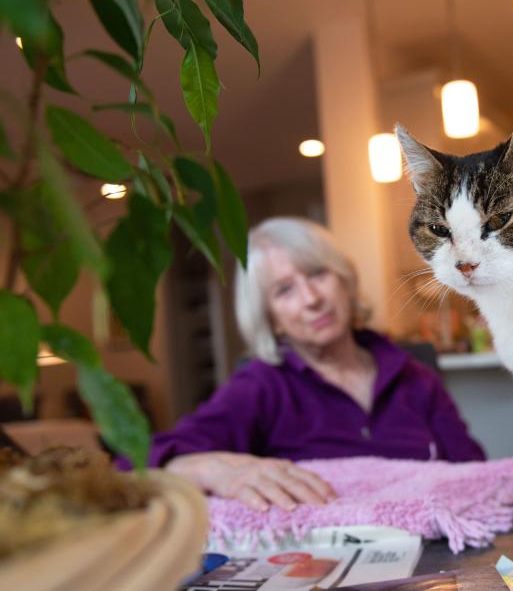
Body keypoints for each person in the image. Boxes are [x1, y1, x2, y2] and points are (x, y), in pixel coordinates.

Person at [146, 217, 485, 512]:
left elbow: (476, 475)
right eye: (284, 291)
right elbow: (141, 462)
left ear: (344, 280)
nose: (311, 299)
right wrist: (210, 470)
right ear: (272, 319)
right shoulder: (259, 386)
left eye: (317, 274)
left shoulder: (415, 376)